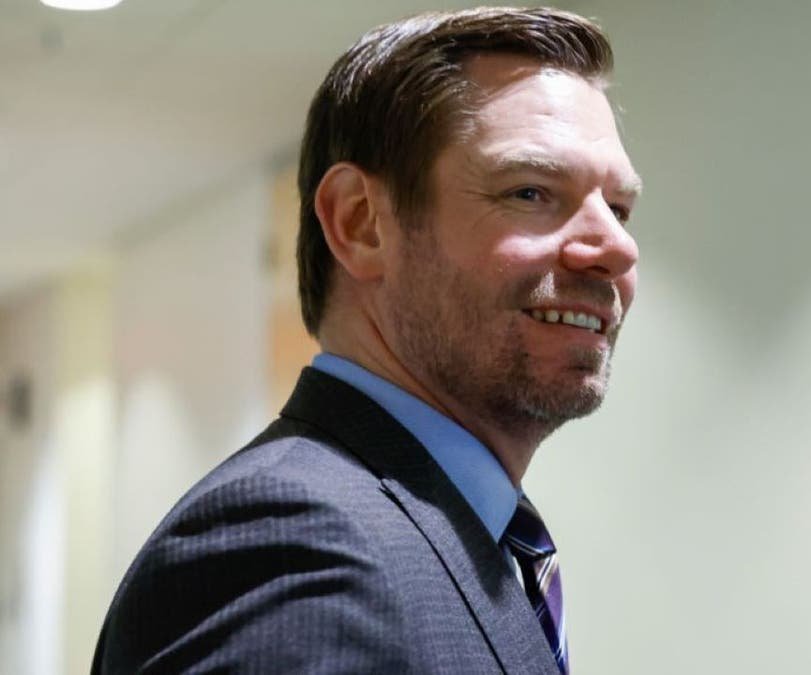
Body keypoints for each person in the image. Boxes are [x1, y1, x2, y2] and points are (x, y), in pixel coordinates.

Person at [91, 7, 640, 674]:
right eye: (530, 191)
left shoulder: (466, 537)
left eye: (618, 208)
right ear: (360, 223)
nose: (615, 245)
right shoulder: (293, 546)